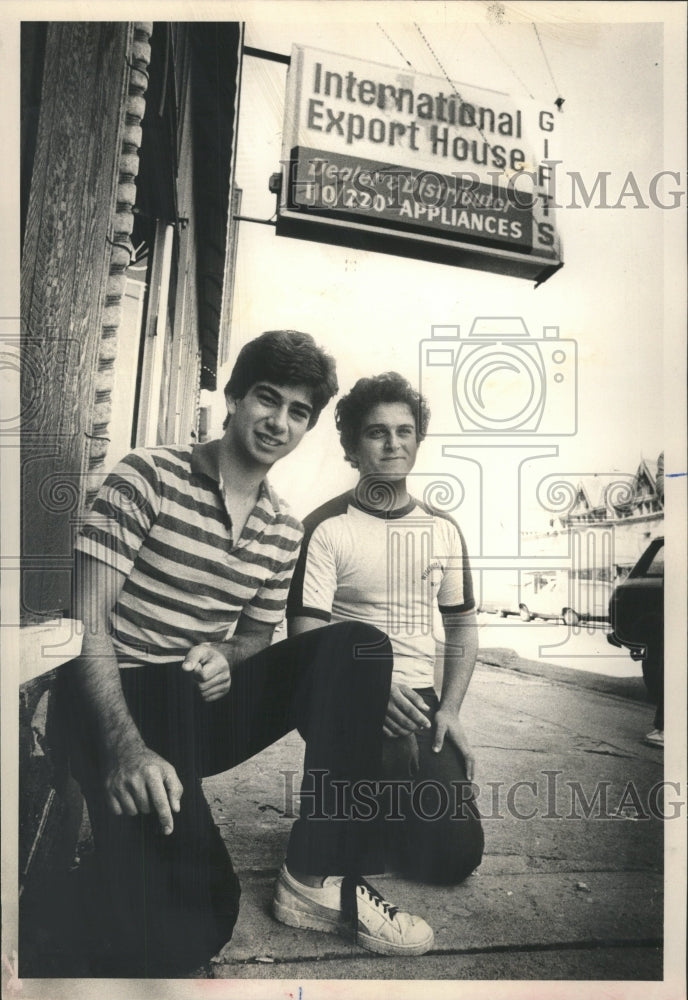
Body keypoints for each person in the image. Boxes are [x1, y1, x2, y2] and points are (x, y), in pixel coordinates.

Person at [66, 332, 434, 978]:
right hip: (109, 704)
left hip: (189, 706)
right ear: (233, 398)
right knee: (196, 926)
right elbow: (84, 621)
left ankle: (317, 875)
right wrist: (125, 748)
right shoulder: (146, 478)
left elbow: (257, 639)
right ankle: (105, 874)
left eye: (299, 413)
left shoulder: (282, 530)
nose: (279, 422)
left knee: (356, 648)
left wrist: (223, 653)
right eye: (268, 399)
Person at [287, 372, 484, 885]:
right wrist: (368, 695)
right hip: (345, 694)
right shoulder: (325, 528)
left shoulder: (443, 529)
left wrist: (452, 710)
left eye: (404, 430)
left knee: (454, 859)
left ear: (418, 440)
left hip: (418, 698)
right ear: (352, 447)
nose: (393, 443)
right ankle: (347, 811)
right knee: (356, 858)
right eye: (376, 432)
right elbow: (305, 642)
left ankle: (393, 811)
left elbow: (461, 627)